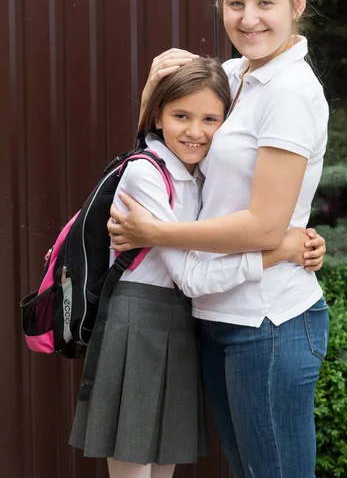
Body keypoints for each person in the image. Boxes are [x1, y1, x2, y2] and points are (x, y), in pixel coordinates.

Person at [108, 0, 330, 478]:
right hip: (217, 314)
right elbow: (167, 136)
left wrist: (154, 232)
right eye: (236, 3)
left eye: (265, 2)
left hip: (268, 320)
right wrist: (152, 86)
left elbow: (263, 226)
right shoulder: (235, 77)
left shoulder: (291, 92)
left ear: (296, 4)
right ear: (221, 6)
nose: (249, 18)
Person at [69, 56, 326, 478]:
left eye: (211, 119)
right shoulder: (147, 176)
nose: (195, 130)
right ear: (158, 116)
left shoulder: (198, 174)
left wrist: (303, 239)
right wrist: (278, 252)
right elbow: (192, 276)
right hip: (140, 318)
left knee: (165, 461)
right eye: (181, 116)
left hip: (181, 323)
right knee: (135, 466)